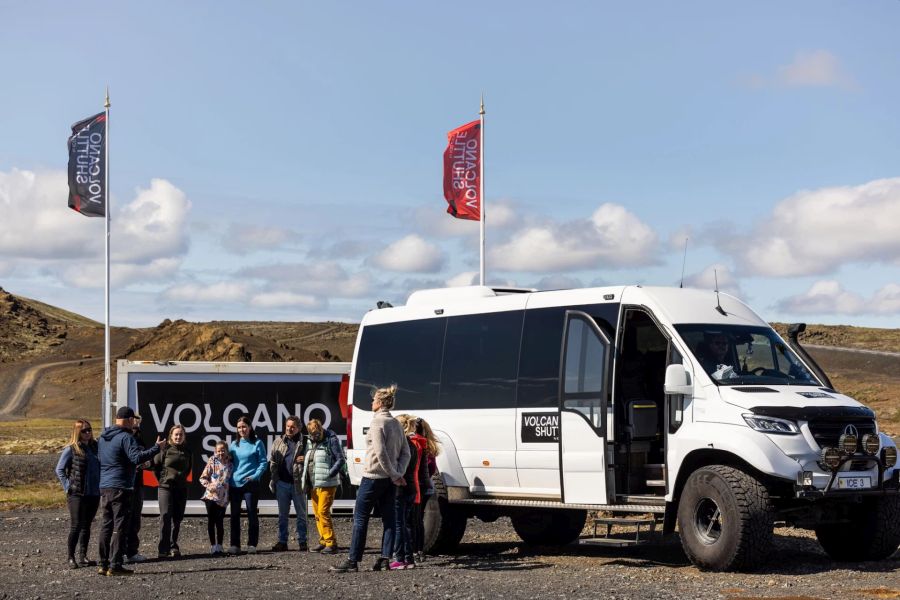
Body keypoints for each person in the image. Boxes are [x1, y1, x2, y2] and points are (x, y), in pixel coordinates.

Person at [331, 385, 410, 573]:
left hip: (373, 477)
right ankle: (385, 559)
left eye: (374, 400)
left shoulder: (377, 423)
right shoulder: (397, 424)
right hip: (390, 481)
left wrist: (393, 473)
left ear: (380, 403)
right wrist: (397, 473)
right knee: (389, 520)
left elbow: (380, 452)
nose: (371, 402)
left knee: (360, 518)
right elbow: (405, 452)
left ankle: (353, 560)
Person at [97, 406, 165, 576]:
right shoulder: (126, 437)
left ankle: (103, 563)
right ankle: (115, 565)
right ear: (128, 420)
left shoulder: (103, 437)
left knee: (106, 525)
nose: (134, 422)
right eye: (133, 419)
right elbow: (136, 458)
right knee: (120, 526)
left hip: (105, 486)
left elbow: (101, 459)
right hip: (121, 487)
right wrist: (157, 448)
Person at [55, 419, 101, 569]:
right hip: (77, 493)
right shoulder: (72, 449)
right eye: (84, 431)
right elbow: (59, 469)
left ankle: (83, 556)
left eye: (89, 429)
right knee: (76, 525)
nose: (88, 433)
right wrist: (68, 487)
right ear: (77, 432)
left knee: (87, 525)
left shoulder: (96, 447)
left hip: (93, 493)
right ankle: (70, 557)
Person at [302, 418, 346, 554]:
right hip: (314, 483)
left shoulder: (331, 440)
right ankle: (323, 540)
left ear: (321, 428)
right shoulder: (310, 442)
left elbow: (340, 459)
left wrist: (330, 473)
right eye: (312, 433)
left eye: (317, 432)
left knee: (323, 512)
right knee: (317, 514)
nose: (315, 436)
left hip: (327, 483)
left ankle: (331, 543)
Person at [268, 416, 308, 552]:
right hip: (282, 484)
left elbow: (314, 458)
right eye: (288, 426)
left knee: (301, 515)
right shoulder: (279, 441)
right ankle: (282, 541)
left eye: (293, 427)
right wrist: (276, 478)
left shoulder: (306, 441)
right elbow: (272, 461)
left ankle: (303, 542)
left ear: (299, 428)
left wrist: (307, 459)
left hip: (298, 484)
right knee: (282, 515)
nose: (290, 429)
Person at [228, 415, 267, 554]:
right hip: (234, 484)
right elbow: (228, 464)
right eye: (239, 427)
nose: (241, 429)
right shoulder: (233, 445)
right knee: (234, 515)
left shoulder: (257, 443)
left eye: (244, 426)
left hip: (251, 484)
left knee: (252, 514)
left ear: (250, 427)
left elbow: (263, 463)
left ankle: (252, 544)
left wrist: (255, 476)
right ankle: (234, 545)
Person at [154, 424, 193, 559]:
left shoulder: (188, 451)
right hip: (165, 488)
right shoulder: (165, 450)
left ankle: (173, 545)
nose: (178, 437)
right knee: (165, 517)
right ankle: (163, 548)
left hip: (181, 488)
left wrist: (180, 480)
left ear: (184, 436)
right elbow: (156, 465)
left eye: (181, 434)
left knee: (177, 518)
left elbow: (188, 469)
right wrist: (164, 479)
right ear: (171, 436)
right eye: (176, 434)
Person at [390, 414, 420, 570]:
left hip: (400, 488)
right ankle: (409, 558)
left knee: (398, 524)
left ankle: (400, 558)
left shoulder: (400, 445)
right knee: (406, 524)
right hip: (411, 487)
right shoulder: (413, 445)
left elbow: (396, 468)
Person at [412, 416, 441, 563]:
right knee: (419, 521)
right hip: (427, 488)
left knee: (411, 521)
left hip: (415, 486)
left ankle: (411, 550)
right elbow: (431, 469)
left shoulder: (414, 444)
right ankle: (419, 550)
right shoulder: (430, 446)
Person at [199, 441, 232, 555]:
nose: (220, 453)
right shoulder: (212, 460)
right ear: (215, 451)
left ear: (227, 451)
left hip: (223, 497)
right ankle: (213, 545)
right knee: (211, 520)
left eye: (223, 450)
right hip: (211, 496)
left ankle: (220, 545)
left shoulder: (231, 462)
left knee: (220, 521)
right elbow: (203, 477)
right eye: (218, 451)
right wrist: (209, 486)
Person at [124, 415, 148, 564]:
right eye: (134, 424)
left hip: (138, 484)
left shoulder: (139, 440)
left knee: (135, 520)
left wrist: (146, 464)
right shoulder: (124, 440)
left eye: (138, 425)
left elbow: (145, 458)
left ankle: (132, 551)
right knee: (123, 520)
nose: (136, 427)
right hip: (125, 485)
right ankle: (120, 552)